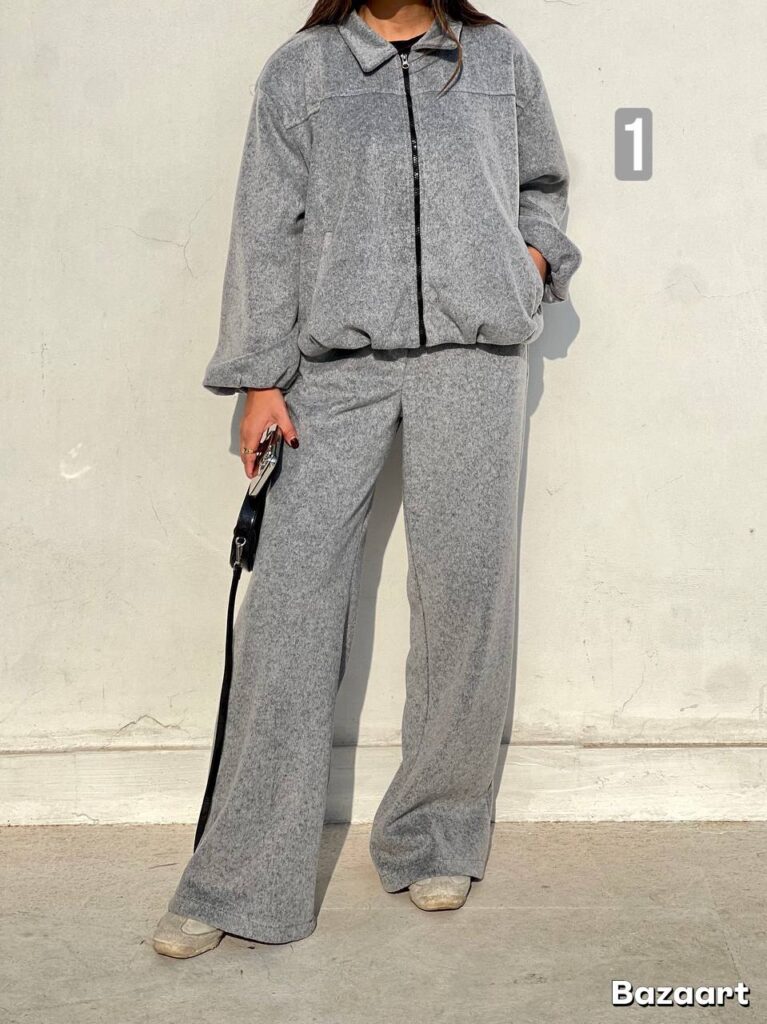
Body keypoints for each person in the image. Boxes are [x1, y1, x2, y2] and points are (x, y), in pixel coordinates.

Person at [153, 0, 581, 959]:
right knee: (289, 608)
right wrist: (259, 379)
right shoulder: (301, 68)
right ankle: (238, 876)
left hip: (474, 358)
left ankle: (435, 834)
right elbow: (264, 227)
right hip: (332, 369)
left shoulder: (495, 58)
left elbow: (542, 184)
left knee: (463, 598)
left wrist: (526, 261)